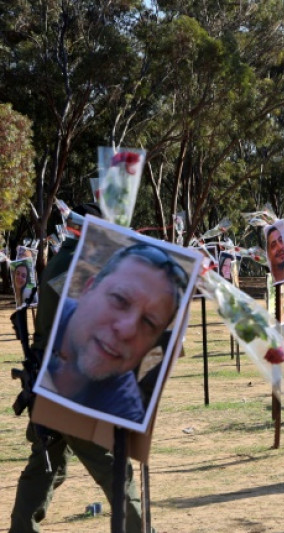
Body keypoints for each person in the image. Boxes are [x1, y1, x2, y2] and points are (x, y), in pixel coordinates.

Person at [11, 203, 152, 533]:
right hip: (70, 387)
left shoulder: (66, 262)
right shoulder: (80, 267)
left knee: (46, 468)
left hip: (49, 383)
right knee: (116, 471)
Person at [39, 243, 187, 423]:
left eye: (149, 322)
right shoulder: (67, 265)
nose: (127, 330)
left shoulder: (125, 404)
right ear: (88, 289)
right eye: (120, 299)